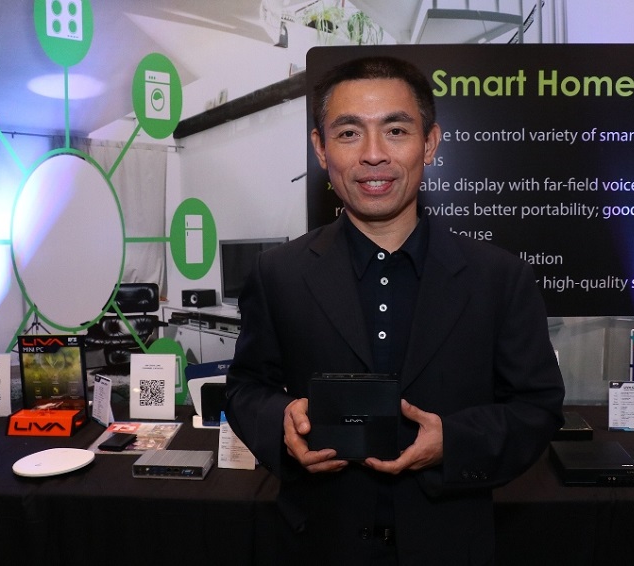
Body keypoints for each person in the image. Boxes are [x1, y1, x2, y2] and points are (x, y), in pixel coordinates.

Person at [225, 55, 565, 565]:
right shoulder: (278, 274)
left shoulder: (498, 277)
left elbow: (537, 408)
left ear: (429, 143)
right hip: (318, 545)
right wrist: (281, 422)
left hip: (450, 547)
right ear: (320, 148)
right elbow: (245, 388)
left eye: (396, 131)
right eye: (348, 133)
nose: (373, 155)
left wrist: (454, 441)